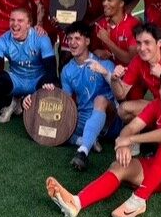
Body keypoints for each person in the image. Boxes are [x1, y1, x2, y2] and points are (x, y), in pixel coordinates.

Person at [46, 68, 161, 217]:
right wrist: (123, 145)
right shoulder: (157, 104)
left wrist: (132, 140)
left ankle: (139, 199)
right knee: (119, 165)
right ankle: (76, 202)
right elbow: (131, 127)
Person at [25, 21, 123, 171]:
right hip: (84, 120)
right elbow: (65, 103)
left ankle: (83, 151)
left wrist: (105, 72)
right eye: (69, 39)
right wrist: (49, 93)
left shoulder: (104, 63)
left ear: (87, 41)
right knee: (58, 130)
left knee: (100, 100)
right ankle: (87, 140)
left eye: (77, 38)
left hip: (110, 122)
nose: (72, 42)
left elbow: (120, 94)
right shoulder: (67, 70)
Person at [0, 8, 59, 123]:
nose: (15, 24)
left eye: (20, 21)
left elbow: (51, 69)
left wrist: (46, 86)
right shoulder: (2, 40)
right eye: (12, 20)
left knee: (54, 86)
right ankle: (11, 102)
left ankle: (25, 100)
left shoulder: (41, 38)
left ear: (29, 24)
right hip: (16, 80)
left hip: (37, 80)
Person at [91, 0, 139, 66]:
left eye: (109, 0)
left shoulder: (134, 25)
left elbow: (131, 59)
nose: (104, 3)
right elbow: (93, 49)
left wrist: (107, 41)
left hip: (127, 76)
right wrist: (97, 52)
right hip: (106, 74)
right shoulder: (100, 25)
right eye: (104, 0)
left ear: (121, 3)